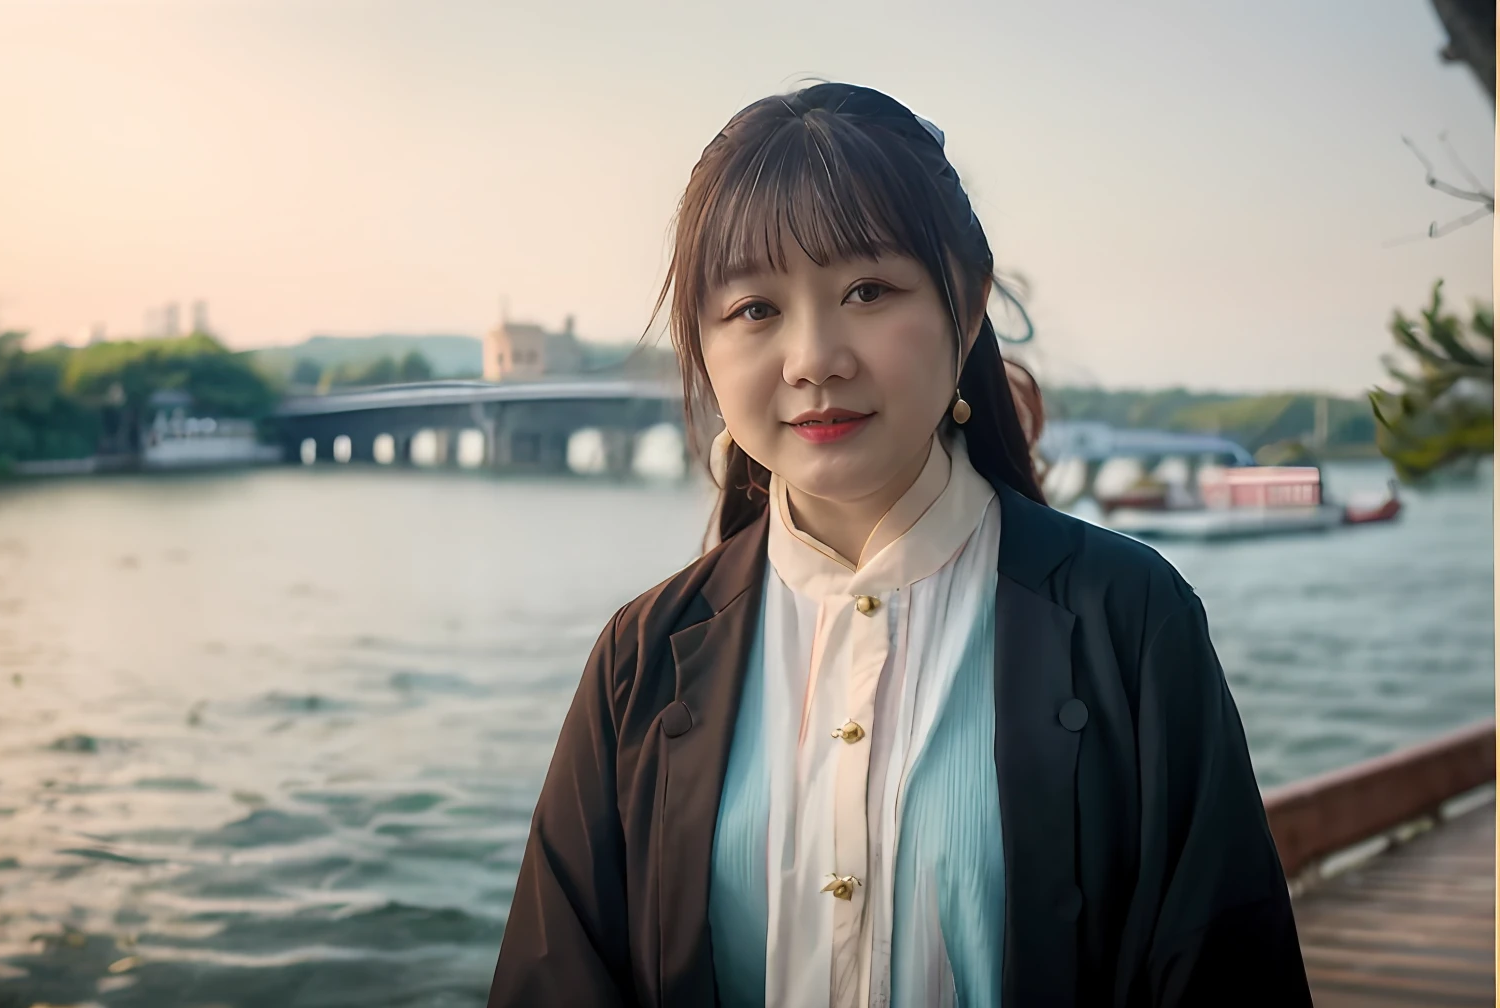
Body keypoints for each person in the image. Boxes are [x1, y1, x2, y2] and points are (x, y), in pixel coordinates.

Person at [489, 82, 1310, 1008]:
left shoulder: (1128, 618)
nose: (813, 358)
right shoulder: (639, 661)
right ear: (704, 347)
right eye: (754, 308)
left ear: (967, 301)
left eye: (867, 290)